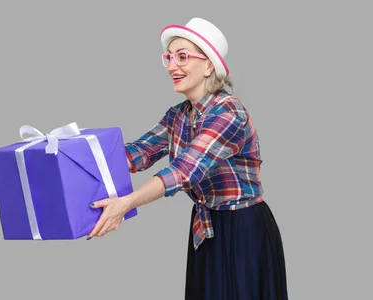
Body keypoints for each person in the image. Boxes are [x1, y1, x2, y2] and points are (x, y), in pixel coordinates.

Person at [86, 17, 288, 299]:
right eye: (168, 57)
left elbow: (184, 171)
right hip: (206, 229)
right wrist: (74, 156)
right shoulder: (179, 115)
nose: (171, 66)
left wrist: (126, 203)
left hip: (244, 231)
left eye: (182, 56)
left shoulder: (229, 113)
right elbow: (137, 153)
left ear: (208, 65)